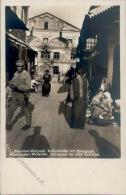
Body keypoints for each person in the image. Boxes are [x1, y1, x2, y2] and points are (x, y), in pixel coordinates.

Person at [7, 60, 31, 130]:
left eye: (20, 66)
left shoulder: (26, 74)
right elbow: (12, 81)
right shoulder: (16, 73)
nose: (18, 68)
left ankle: (28, 124)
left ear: (23, 67)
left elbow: (28, 87)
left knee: (26, 110)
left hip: (23, 95)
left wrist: (17, 86)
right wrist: (10, 83)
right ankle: (8, 124)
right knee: (11, 110)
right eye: (17, 66)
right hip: (15, 94)